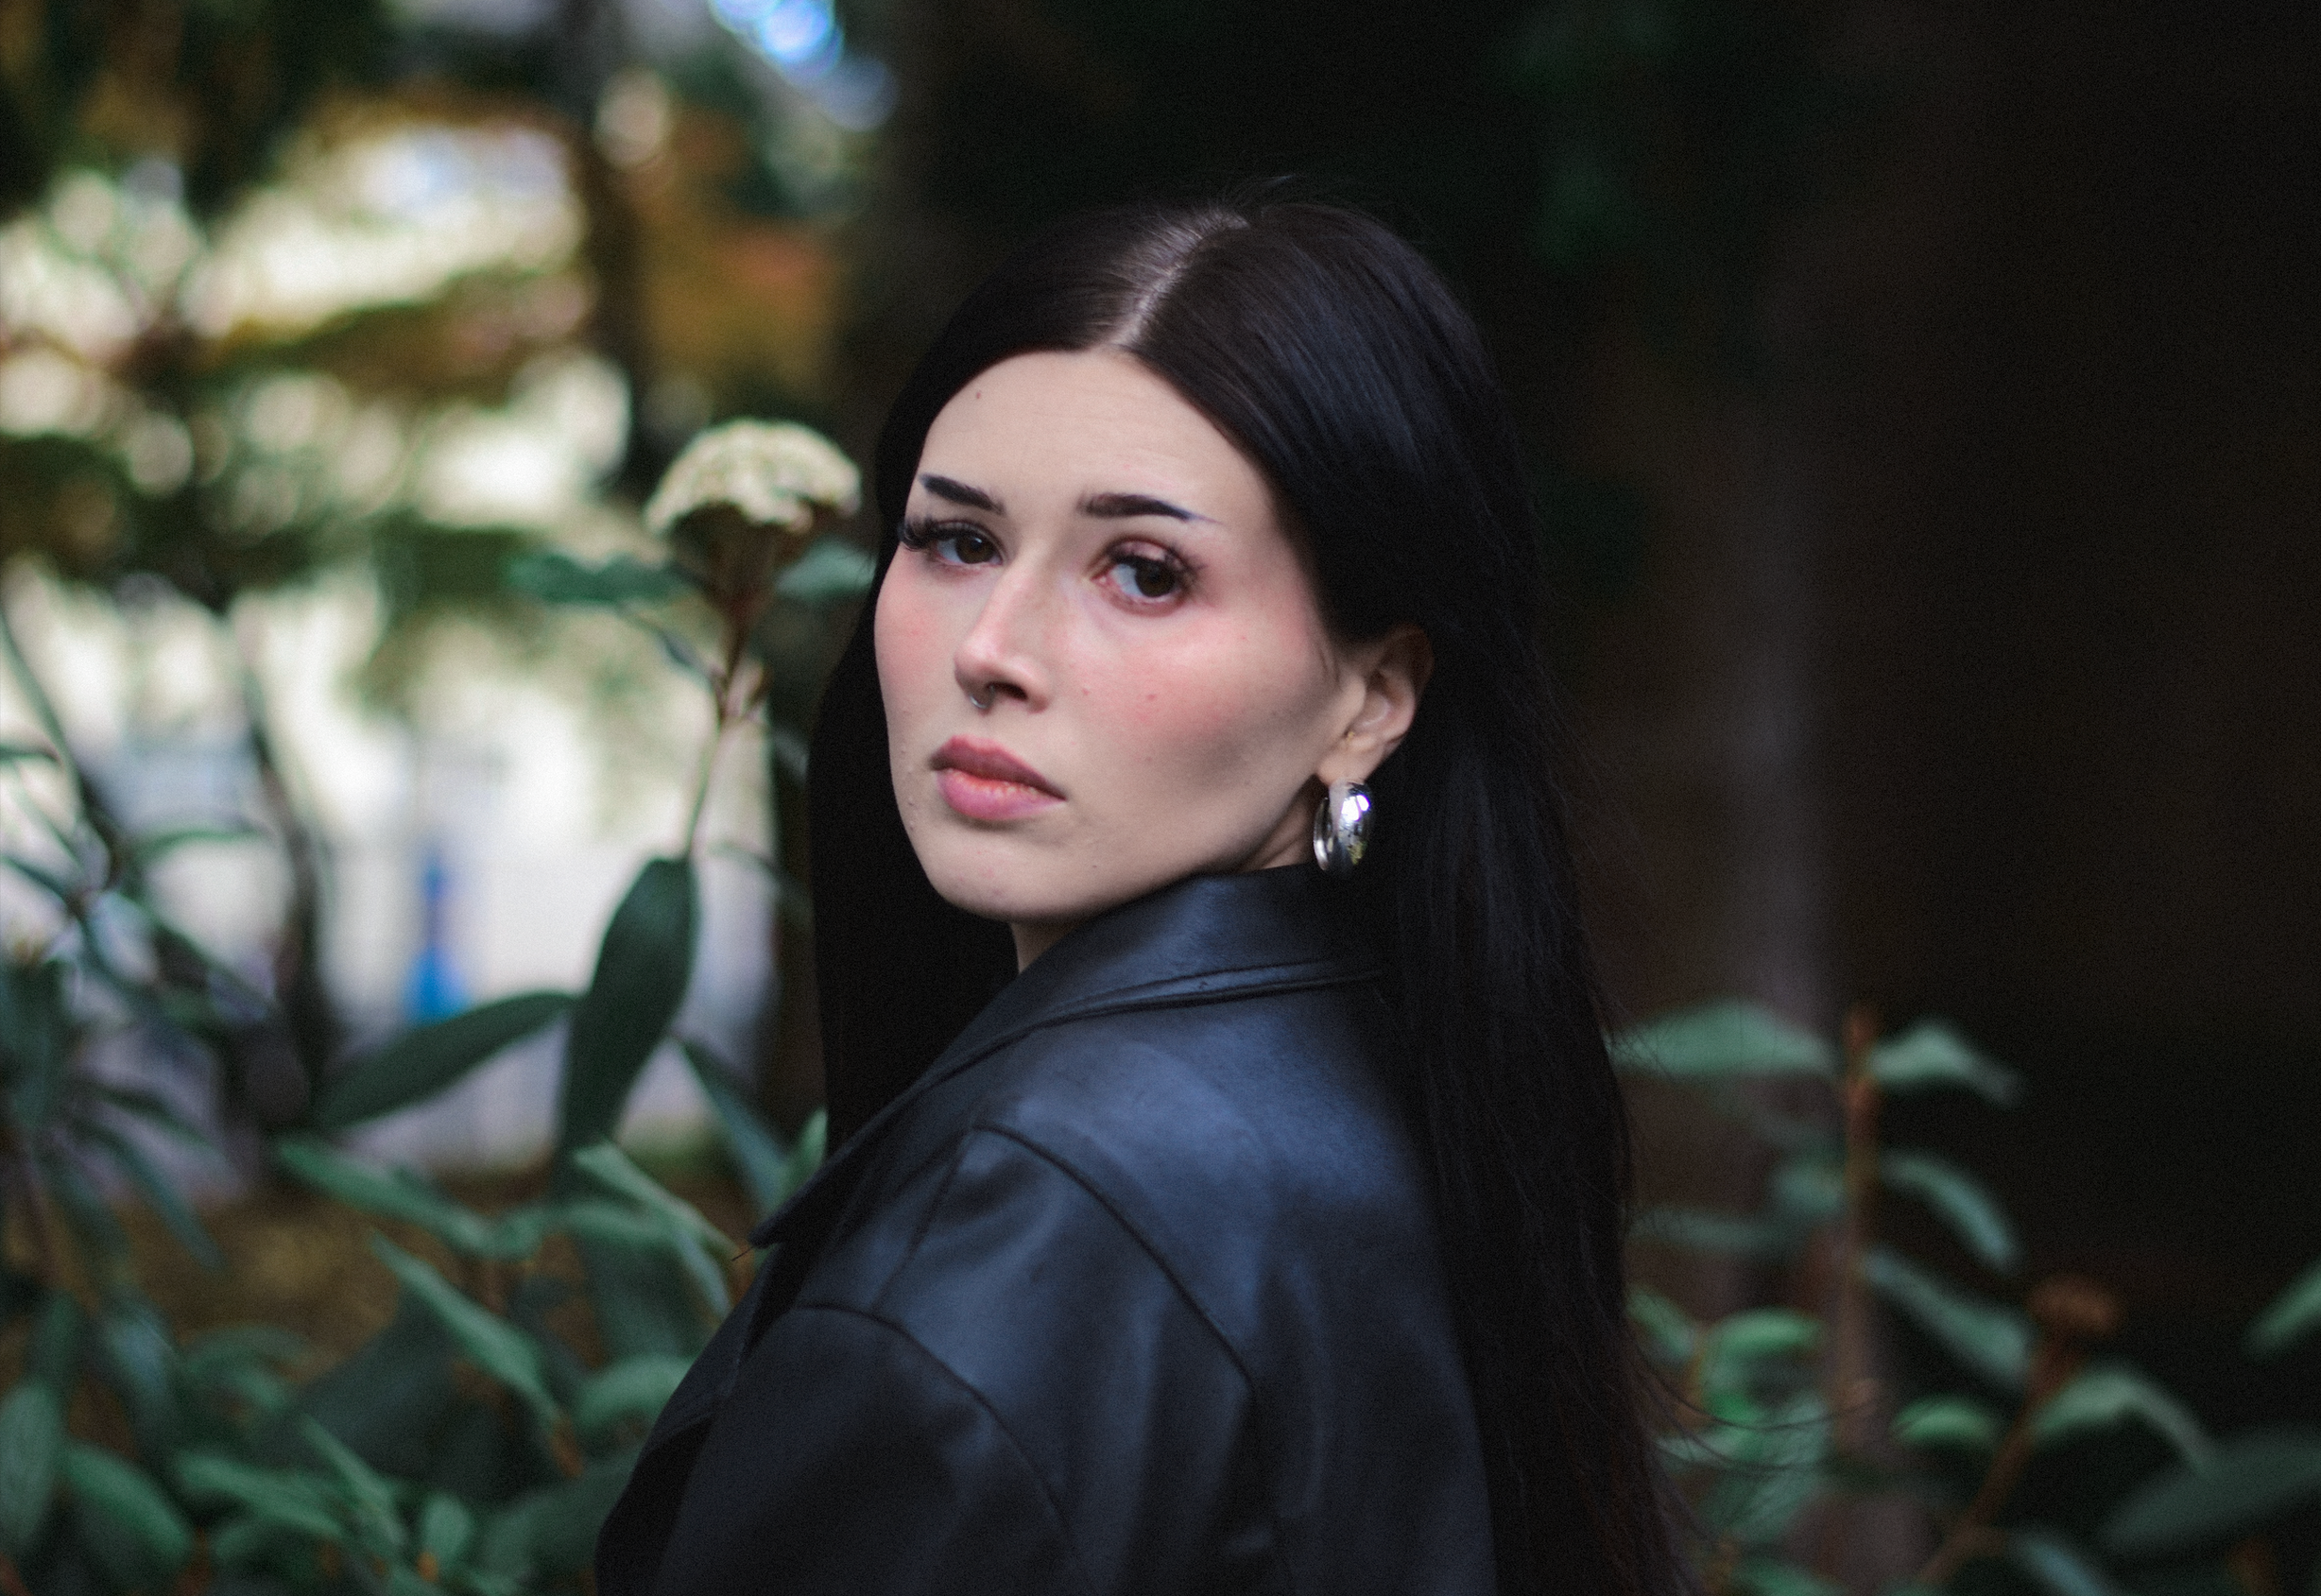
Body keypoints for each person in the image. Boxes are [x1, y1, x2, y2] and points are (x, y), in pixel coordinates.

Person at [596, 196, 1693, 1596]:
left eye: (1145, 572)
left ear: (1371, 700)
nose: (992, 650)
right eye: (957, 541)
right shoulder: (1390, 1082)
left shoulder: (1021, 1243)